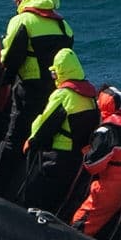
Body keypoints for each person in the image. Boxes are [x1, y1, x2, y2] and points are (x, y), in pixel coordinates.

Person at [0, 0, 75, 195]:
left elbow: (11, 59)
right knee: (37, 141)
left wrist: (0, 81)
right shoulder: (63, 26)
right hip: (53, 93)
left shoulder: (22, 21)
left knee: (13, 139)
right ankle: (24, 191)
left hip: (28, 91)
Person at [18, 47, 98, 213]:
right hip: (75, 159)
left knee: (34, 196)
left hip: (55, 157)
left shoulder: (63, 95)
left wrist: (32, 141)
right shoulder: (90, 97)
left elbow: (46, 124)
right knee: (55, 201)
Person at [72, 86, 121, 240]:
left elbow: (92, 166)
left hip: (110, 190)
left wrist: (88, 150)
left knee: (80, 224)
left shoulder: (107, 133)